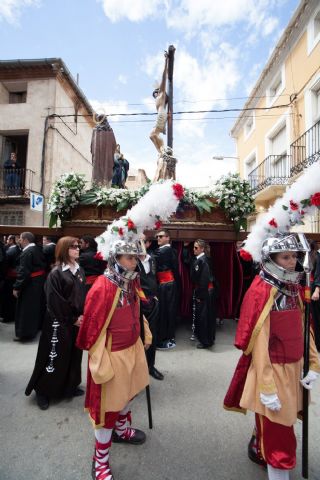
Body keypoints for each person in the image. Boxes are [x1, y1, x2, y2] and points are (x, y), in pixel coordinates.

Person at [224, 232, 320, 480]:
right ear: (270, 259)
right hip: (273, 370)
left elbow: (304, 327)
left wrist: (313, 363)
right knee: (280, 432)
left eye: (294, 256)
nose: (292, 262)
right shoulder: (262, 291)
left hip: (293, 367)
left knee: (281, 420)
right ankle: (276, 467)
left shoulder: (293, 288)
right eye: (285, 257)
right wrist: (266, 385)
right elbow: (259, 343)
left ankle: (258, 444)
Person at [76, 238, 152, 480]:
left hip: (132, 349)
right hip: (113, 355)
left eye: (136, 258)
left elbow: (137, 312)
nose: (135, 263)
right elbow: (91, 330)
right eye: (130, 258)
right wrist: (99, 361)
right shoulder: (102, 287)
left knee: (129, 395)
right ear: (115, 258)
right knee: (107, 411)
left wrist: (144, 332)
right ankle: (99, 461)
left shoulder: (131, 282)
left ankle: (121, 430)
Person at [25, 237, 86, 410]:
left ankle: (69, 385)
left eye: (78, 246)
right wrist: (72, 319)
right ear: (63, 249)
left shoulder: (80, 270)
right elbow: (54, 301)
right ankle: (43, 390)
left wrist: (82, 315)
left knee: (73, 355)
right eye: (73, 247)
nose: (77, 249)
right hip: (58, 322)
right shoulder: (56, 273)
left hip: (76, 321)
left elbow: (82, 295)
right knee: (54, 356)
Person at [138, 235, 164, 380]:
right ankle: (137, 369)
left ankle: (150, 366)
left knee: (152, 335)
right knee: (139, 337)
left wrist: (155, 296)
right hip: (138, 304)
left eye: (141, 242)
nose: (138, 245)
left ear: (147, 244)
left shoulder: (152, 259)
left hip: (152, 303)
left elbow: (154, 279)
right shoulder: (132, 261)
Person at [13, 232, 46, 341]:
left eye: (21, 239)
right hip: (38, 282)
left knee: (25, 309)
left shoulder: (27, 252)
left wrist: (17, 287)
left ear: (26, 240)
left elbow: (24, 272)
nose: (19, 241)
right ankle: (35, 328)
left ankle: (25, 334)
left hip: (29, 284)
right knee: (35, 307)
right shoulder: (37, 249)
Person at [154, 229, 179, 350]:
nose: (158, 238)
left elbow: (152, 259)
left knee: (164, 311)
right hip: (169, 284)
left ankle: (165, 338)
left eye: (161, 236)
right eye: (157, 236)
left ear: (168, 238)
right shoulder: (171, 250)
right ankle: (169, 336)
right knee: (169, 310)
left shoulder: (164, 251)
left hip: (166, 285)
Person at [190, 239, 218, 349]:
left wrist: (200, 296)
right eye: (193, 247)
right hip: (206, 291)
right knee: (206, 316)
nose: (194, 249)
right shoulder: (201, 259)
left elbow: (204, 280)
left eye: (196, 247)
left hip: (205, 292)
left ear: (202, 248)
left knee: (205, 317)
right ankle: (208, 339)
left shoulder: (203, 260)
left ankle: (206, 341)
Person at [150, 53, 168, 156]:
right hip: (160, 115)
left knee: (152, 134)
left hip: (161, 114)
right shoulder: (158, 98)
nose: (155, 94)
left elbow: (163, 76)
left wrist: (166, 61)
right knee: (152, 135)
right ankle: (161, 152)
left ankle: (162, 151)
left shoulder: (161, 94)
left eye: (155, 92)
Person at [1, 235, 20, 323]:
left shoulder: (11, 251)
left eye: (8, 239)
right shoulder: (18, 249)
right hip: (15, 277)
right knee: (12, 299)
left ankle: (7, 317)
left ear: (12, 240)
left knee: (8, 299)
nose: (7, 240)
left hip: (9, 277)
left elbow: (5, 265)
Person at [310, 241, 320, 351]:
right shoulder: (313, 256)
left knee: (316, 319)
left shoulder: (317, 256)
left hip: (313, 289)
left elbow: (318, 275)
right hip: (311, 288)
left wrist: (317, 290)